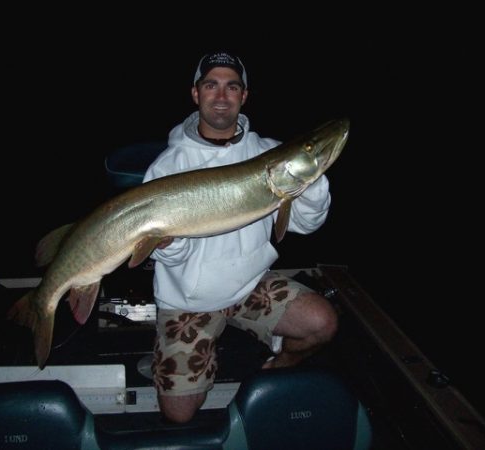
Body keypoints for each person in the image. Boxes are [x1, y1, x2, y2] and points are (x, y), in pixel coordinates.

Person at [142, 51, 338, 423]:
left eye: (232, 87)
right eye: (211, 85)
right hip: (189, 299)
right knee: (179, 414)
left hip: (250, 285)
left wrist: (312, 179)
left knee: (321, 323)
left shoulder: (269, 154)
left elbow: (305, 224)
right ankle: (197, 356)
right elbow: (165, 254)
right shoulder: (167, 168)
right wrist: (170, 243)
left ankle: (279, 365)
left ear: (243, 96)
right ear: (196, 94)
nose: (221, 96)